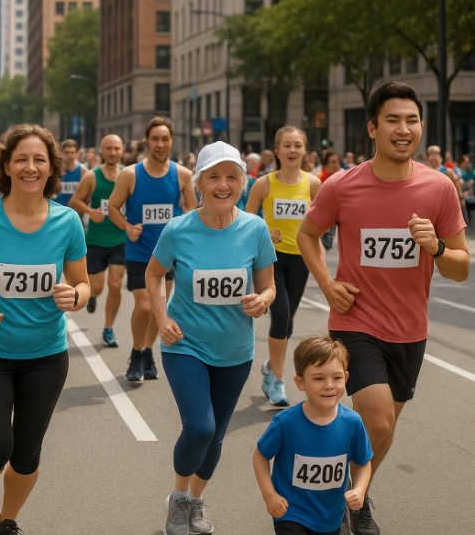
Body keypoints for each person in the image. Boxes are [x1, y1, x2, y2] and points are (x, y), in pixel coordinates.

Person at [297, 82, 469, 535]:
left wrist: (434, 248)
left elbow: (461, 268)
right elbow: (306, 234)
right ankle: (339, 503)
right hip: (356, 323)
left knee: (385, 429)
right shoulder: (342, 185)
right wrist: (328, 283)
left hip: (410, 330)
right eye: (393, 119)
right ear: (372, 128)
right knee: (375, 417)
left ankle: (355, 493)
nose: (403, 128)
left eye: (411, 120)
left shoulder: (440, 189)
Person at [0, 124, 90, 535]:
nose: (30, 167)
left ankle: (7, 520)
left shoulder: (67, 223)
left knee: (27, 454)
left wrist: (76, 297)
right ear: (6, 167)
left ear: (51, 169)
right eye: (22, 159)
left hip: (46, 356)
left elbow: (83, 283)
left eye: (39, 160)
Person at [147, 140, 276, 535]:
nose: (223, 185)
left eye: (231, 177)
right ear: (199, 183)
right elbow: (154, 274)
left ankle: (196, 501)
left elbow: (269, 286)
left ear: (242, 181)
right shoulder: (179, 229)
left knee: (217, 435)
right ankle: (178, 496)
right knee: (200, 428)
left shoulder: (255, 228)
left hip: (235, 350)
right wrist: (162, 316)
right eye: (214, 177)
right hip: (185, 344)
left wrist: (262, 300)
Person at [254, 336, 373, 535]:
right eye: (319, 378)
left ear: (345, 378)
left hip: (330, 517)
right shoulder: (286, 422)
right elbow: (260, 456)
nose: (329, 385)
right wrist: (270, 495)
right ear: (301, 383)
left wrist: (360, 490)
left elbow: (363, 463)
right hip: (290, 513)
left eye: (336, 378)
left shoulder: (352, 422)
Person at [108, 117, 196, 383]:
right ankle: (136, 354)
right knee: (145, 306)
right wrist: (127, 226)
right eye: (155, 139)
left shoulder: (182, 175)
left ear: (172, 141)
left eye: (165, 139)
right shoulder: (130, 174)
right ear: (146, 141)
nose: (160, 144)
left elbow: (192, 210)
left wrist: (180, 230)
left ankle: (148, 352)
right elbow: (113, 207)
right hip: (139, 253)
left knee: (160, 310)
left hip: (168, 255)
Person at [246, 126, 322, 407]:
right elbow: (245, 222)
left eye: (297, 145)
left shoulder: (314, 185)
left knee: (287, 321)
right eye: (286, 146)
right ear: (276, 151)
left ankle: (269, 366)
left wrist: (322, 266)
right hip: (271, 259)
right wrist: (265, 227)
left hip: (301, 259)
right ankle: (277, 381)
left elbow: (322, 226)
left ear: (304, 150)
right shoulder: (263, 184)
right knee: (280, 316)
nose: (292, 150)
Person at [69, 134, 127, 347]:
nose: (112, 152)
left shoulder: (129, 175)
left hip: (120, 238)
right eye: (108, 148)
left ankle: (108, 329)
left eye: (116, 148)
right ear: (102, 150)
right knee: (97, 287)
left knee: (115, 283)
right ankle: (92, 296)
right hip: (95, 239)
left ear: (122, 149)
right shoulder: (93, 176)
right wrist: (89, 211)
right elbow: (76, 200)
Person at [55, 139, 88, 207]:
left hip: (76, 209)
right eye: (67, 153)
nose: (70, 155)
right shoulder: (56, 170)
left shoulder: (83, 170)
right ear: (62, 153)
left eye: (72, 152)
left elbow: (87, 193)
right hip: (59, 207)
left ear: (77, 154)